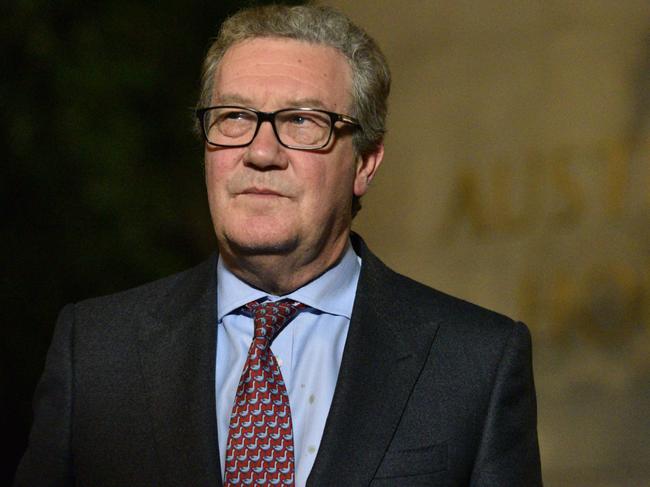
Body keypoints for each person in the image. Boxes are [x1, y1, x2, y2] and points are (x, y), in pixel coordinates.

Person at [15, 4, 542, 487]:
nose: (260, 151)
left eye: (301, 122)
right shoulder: (98, 351)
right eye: (235, 118)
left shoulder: (475, 362)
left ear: (365, 163)